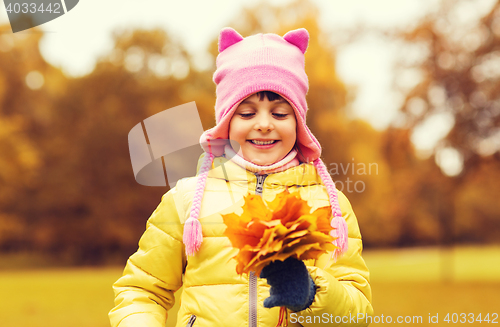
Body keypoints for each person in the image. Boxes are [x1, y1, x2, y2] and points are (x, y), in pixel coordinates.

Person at [109, 27, 373, 327]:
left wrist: (312, 294)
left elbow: (358, 314)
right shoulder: (185, 201)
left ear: (299, 123)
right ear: (225, 123)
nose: (263, 124)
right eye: (247, 113)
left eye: (280, 113)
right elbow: (141, 291)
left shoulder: (329, 205)